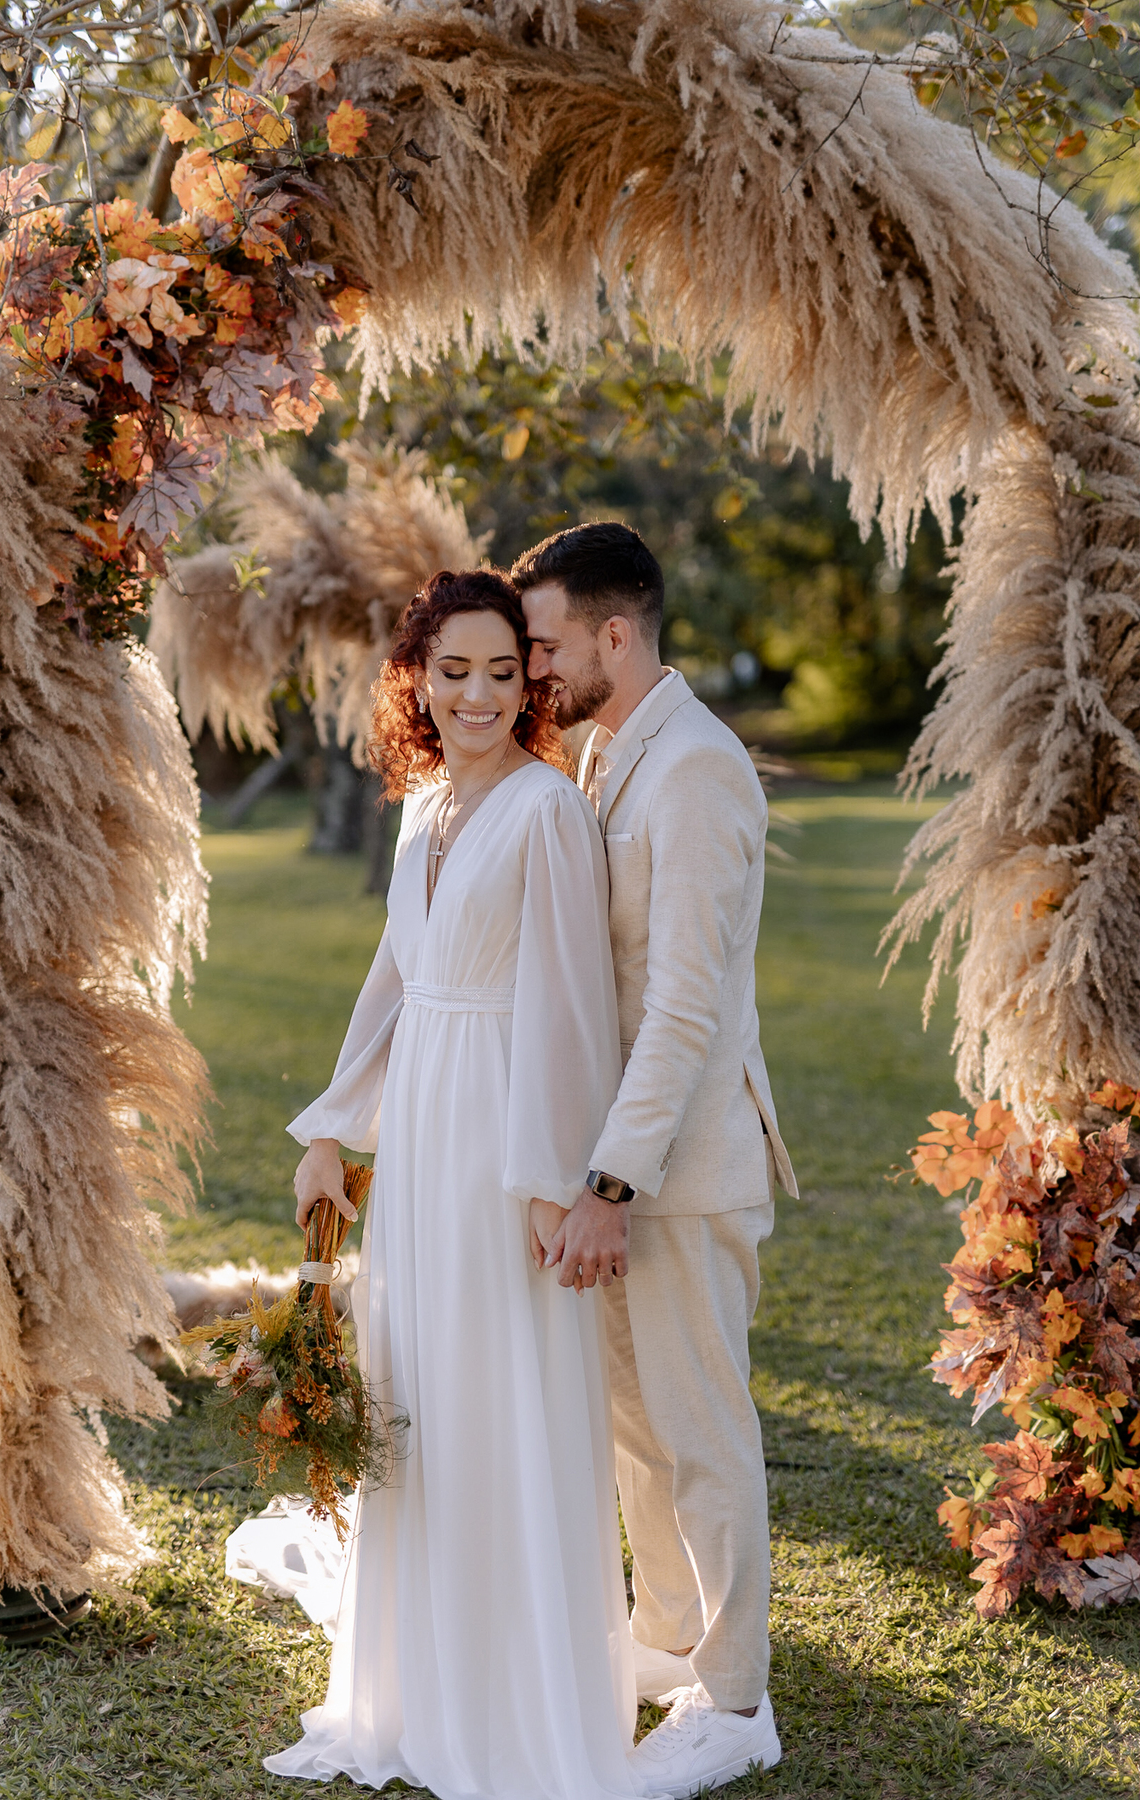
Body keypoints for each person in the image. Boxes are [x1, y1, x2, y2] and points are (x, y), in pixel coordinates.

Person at [259, 568, 640, 1799]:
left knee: (501, 1393)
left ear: (530, 684)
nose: (477, 694)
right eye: (453, 669)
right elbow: (393, 983)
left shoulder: (546, 810)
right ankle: (418, 1690)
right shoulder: (423, 806)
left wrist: (549, 1180)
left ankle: (514, 1704)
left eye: (501, 671)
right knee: (417, 1391)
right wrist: (333, 1129)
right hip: (423, 1130)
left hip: (503, 1135)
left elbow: (571, 1008)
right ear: (417, 679)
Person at [514, 522, 796, 1798]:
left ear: (614, 636)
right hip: (621, 1169)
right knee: (635, 1426)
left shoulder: (695, 771)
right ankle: (673, 1636)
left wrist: (610, 1184)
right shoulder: (605, 754)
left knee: (700, 1429)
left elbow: (683, 1007)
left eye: (546, 645)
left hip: (681, 1167)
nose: (533, 670)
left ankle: (736, 1703)